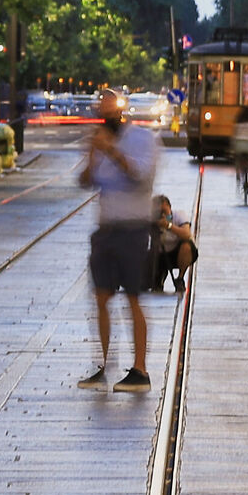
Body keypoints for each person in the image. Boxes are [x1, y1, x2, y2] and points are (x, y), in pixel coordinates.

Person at [79, 88, 159, 391]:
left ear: (123, 111)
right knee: (101, 297)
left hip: (133, 228)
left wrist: (111, 150)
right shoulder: (98, 140)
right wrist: (91, 157)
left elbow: (141, 177)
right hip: (106, 229)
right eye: (102, 109)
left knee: (133, 298)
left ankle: (140, 370)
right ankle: (102, 364)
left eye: (111, 109)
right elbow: (86, 182)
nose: (107, 115)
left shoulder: (143, 139)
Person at [152, 194, 197, 292]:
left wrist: (169, 226)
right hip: (158, 254)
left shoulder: (179, 215)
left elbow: (187, 234)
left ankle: (180, 278)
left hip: (176, 253)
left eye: (164, 211)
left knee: (187, 245)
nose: (162, 215)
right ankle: (158, 275)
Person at [231, 104, 248, 205]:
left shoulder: (237, 123)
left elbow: (234, 136)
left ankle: (238, 176)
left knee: (237, 158)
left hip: (239, 145)